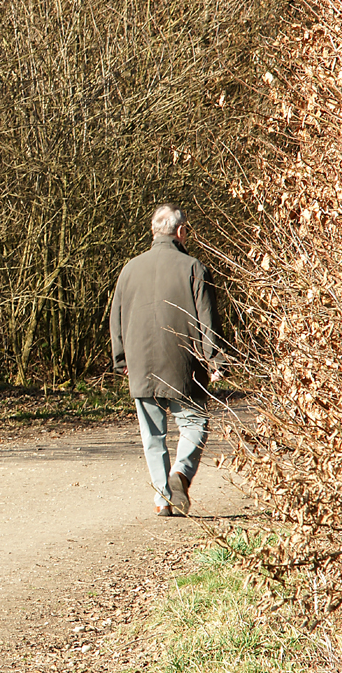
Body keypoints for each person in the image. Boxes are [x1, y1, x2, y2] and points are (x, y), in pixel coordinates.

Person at [109, 204, 224, 517]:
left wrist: (122, 359)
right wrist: (215, 360)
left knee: (153, 435)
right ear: (181, 231)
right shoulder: (194, 268)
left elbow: (116, 318)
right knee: (195, 424)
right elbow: (207, 320)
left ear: (152, 231)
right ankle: (181, 475)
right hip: (184, 364)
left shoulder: (129, 269)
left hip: (141, 364)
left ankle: (163, 499)